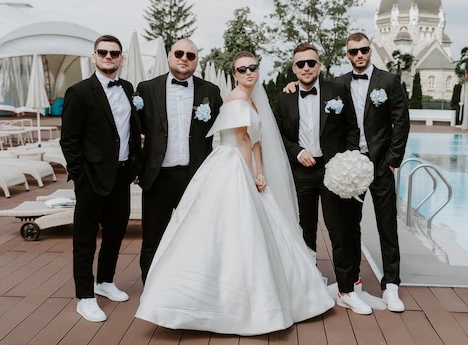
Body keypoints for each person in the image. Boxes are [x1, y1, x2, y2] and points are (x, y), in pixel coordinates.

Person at [135, 51, 334, 335]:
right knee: (228, 232)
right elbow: (241, 139)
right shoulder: (237, 99)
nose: (248, 73)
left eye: (253, 67)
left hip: (247, 164)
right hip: (232, 166)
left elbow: (256, 143)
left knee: (259, 230)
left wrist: (261, 172)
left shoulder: (253, 100)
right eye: (242, 69)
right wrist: (250, 174)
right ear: (234, 74)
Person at [274, 43, 371, 315]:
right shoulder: (283, 97)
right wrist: (297, 152)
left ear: (320, 65)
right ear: (294, 69)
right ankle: (308, 285)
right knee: (304, 231)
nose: (306, 67)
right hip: (301, 173)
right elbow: (279, 134)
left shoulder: (337, 91)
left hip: (332, 171)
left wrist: (347, 160)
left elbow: (353, 128)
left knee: (339, 230)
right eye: (301, 64)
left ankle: (347, 290)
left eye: (311, 63)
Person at [60, 34, 142, 322]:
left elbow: (131, 130)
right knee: (84, 239)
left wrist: (134, 165)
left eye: (114, 52)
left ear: (121, 58)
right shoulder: (79, 92)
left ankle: (104, 281)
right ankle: (84, 296)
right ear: (94, 57)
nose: (109, 56)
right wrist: (80, 177)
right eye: (103, 52)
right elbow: (69, 140)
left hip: (121, 176)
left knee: (115, 232)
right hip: (91, 178)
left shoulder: (129, 88)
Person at [136, 38, 222, 283]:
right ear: (169, 56)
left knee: (196, 235)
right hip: (158, 177)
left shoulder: (211, 92)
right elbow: (132, 130)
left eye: (191, 55)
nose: (184, 58)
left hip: (195, 177)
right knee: (153, 236)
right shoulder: (146, 89)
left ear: (196, 61)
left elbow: (226, 128)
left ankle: (192, 284)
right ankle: (150, 286)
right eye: (179, 53)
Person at [337, 32, 410, 312]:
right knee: (349, 225)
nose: (359, 55)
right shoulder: (340, 83)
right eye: (354, 51)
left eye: (364, 50)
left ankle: (391, 286)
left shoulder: (388, 81)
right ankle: (353, 282)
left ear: (370, 51)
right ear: (347, 54)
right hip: (352, 166)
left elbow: (400, 122)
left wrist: (392, 161)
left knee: (387, 226)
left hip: (381, 165)